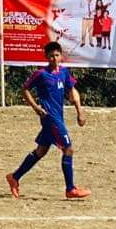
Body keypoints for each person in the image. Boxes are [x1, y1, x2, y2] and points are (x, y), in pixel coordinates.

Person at [7, 40, 89, 200]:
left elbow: (72, 91)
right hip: (50, 118)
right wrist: (36, 107)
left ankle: (14, 177)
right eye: (51, 56)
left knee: (41, 151)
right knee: (68, 149)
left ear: (61, 56)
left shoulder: (64, 73)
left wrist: (80, 111)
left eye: (57, 55)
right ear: (46, 57)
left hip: (58, 117)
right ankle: (70, 189)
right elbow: (25, 90)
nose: (54, 58)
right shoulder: (41, 74)